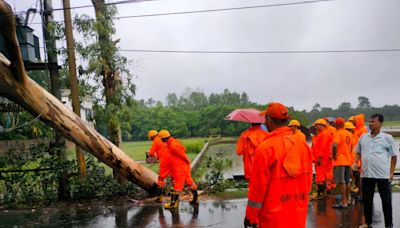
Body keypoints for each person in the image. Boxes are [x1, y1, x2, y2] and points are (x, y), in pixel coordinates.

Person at [244, 102, 313, 228]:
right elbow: (308, 180)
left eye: (265, 119)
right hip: (297, 214)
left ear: (269, 119)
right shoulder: (303, 145)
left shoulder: (265, 148)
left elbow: (258, 189)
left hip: (273, 218)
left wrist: (251, 216)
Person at [355, 114, 398, 228]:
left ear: (380, 123)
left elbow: (394, 156)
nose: (370, 123)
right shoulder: (363, 137)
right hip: (367, 174)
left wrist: (392, 172)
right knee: (367, 200)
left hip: (382, 175)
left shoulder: (387, 138)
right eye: (369, 121)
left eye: (373, 121)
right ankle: (367, 222)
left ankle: (388, 224)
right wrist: (355, 162)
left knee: (386, 201)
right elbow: (358, 152)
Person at [159, 130, 198, 209]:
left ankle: (173, 204)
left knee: (177, 186)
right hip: (181, 167)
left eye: (161, 139)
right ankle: (195, 199)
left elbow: (182, 154)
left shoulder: (173, 145)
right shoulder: (170, 144)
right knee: (190, 182)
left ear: (164, 138)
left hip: (180, 168)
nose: (161, 140)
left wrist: (187, 162)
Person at [331, 118, 353, 209]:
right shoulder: (349, 134)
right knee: (347, 181)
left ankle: (344, 202)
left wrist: (334, 155)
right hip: (347, 159)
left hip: (340, 160)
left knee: (341, 181)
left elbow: (335, 145)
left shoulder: (338, 133)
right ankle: (347, 200)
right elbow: (351, 147)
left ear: (336, 125)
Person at [311, 119, 334, 199]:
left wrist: (320, 157)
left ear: (321, 125)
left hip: (322, 159)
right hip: (324, 158)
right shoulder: (323, 134)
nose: (315, 127)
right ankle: (323, 193)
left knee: (320, 176)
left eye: (316, 125)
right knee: (323, 175)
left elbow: (323, 147)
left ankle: (320, 194)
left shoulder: (324, 134)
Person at [147, 130, 171, 202]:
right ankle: (173, 193)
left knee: (161, 179)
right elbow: (162, 151)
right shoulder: (163, 139)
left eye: (151, 138)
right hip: (170, 159)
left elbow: (151, 153)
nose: (151, 140)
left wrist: (148, 154)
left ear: (152, 136)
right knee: (173, 177)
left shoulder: (156, 140)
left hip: (164, 161)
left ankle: (160, 197)